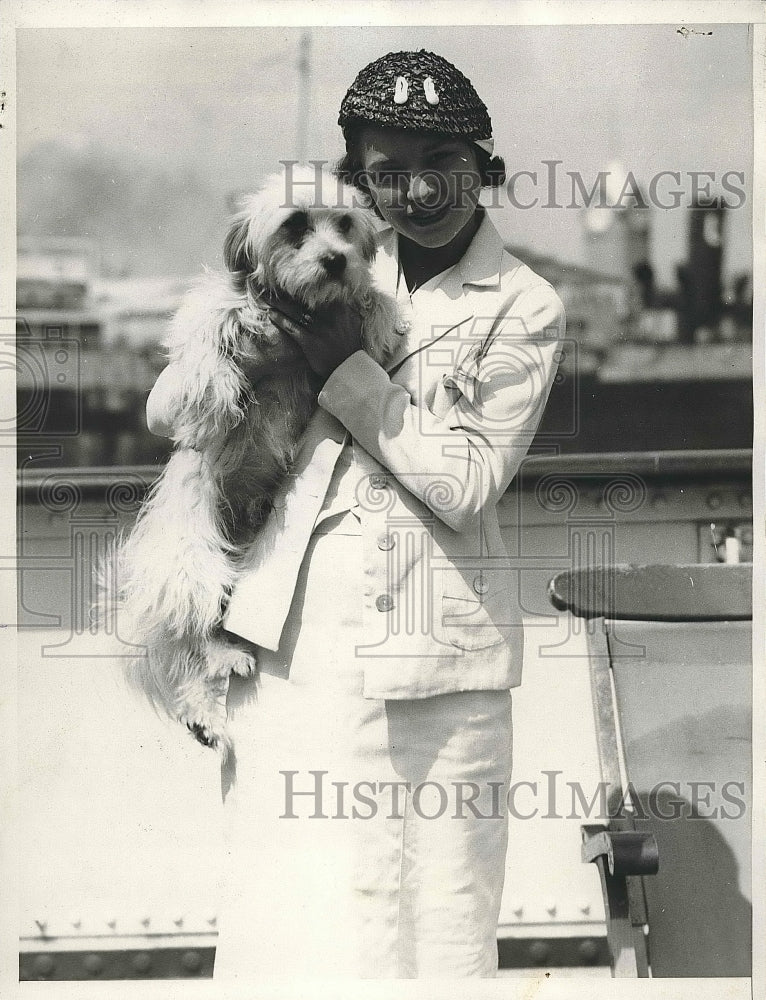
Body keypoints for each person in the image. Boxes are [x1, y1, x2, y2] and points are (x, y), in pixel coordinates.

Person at [147, 49, 565, 979]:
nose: (415, 189)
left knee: (437, 932)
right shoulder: (307, 279)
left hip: (439, 679)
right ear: (360, 186)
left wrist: (343, 362)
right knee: (293, 926)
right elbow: (187, 427)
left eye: (439, 164)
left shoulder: (523, 306)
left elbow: (465, 481)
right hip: (289, 658)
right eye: (385, 171)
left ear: (482, 165)